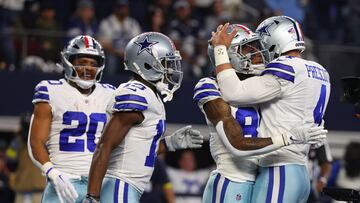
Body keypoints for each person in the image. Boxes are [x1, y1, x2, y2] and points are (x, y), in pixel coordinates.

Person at [195, 24, 327, 203]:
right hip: (231, 180)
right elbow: (237, 145)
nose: (257, 54)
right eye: (247, 49)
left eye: (256, 46)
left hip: (259, 179)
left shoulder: (262, 83)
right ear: (229, 54)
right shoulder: (211, 86)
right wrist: (288, 138)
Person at [84, 32, 203, 203]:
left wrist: (169, 144)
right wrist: (92, 197)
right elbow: (104, 146)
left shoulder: (150, 94)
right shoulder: (136, 94)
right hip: (120, 185)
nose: (171, 68)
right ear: (147, 64)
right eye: (165, 63)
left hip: (129, 187)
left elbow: (137, 149)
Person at [28, 35, 116, 203]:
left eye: (93, 63)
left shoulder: (110, 93)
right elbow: (35, 142)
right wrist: (52, 173)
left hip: (99, 184)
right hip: (64, 179)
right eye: (82, 62)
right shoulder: (50, 90)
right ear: (68, 62)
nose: (88, 68)